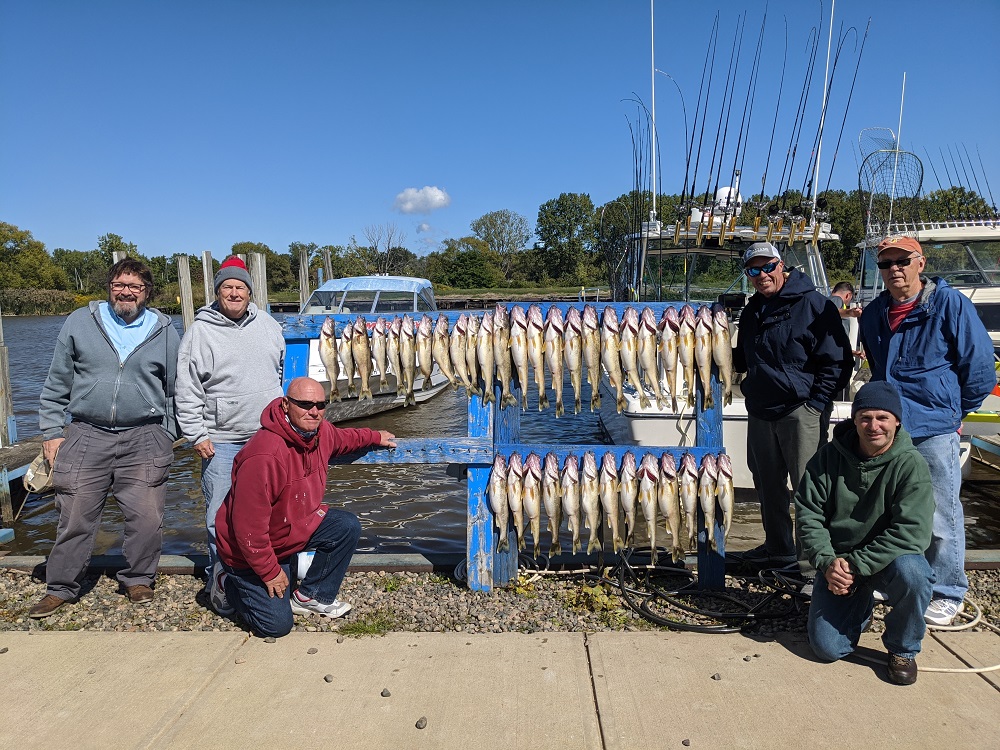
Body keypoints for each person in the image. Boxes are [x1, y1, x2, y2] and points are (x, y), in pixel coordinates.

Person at [30, 258, 180, 618]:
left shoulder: (164, 330)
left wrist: (167, 434)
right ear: (110, 287)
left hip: (144, 436)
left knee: (146, 517)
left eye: (135, 287)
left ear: (146, 292)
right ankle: (61, 586)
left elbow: (177, 389)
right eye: (119, 285)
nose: (126, 292)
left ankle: (138, 578)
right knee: (75, 515)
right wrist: (51, 431)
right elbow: (56, 382)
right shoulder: (81, 322)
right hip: (85, 433)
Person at [859, 235, 996, 626]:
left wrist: (953, 412)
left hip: (935, 428)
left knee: (941, 512)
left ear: (921, 263)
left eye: (902, 260)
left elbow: (980, 369)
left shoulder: (950, 304)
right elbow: (877, 365)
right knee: (890, 509)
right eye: (886, 264)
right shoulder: (874, 314)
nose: (894, 269)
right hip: (890, 431)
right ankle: (900, 577)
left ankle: (948, 589)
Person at [211, 377, 396, 637]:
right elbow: (247, 529)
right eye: (305, 404)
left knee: (345, 526)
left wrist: (374, 436)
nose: (314, 411)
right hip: (247, 552)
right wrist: (269, 572)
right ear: (286, 405)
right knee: (276, 626)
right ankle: (227, 583)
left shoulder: (320, 433)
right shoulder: (264, 455)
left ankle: (312, 596)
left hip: (287, 535)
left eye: (321, 405)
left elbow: (344, 439)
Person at [796, 381, 934, 685]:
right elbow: (808, 514)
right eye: (866, 417)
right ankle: (860, 608)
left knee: (916, 573)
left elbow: (912, 532)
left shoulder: (910, 464)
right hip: (840, 562)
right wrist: (828, 562)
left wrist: (856, 566)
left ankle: (903, 648)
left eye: (882, 418)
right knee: (827, 648)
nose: (874, 426)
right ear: (854, 420)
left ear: (896, 421)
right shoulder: (827, 458)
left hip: (889, 561)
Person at [733, 242, 853, 568]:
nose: (761, 275)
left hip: (801, 411)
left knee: (808, 490)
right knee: (768, 487)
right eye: (753, 270)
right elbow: (741, 359)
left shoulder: (814, 304)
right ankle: (778, 549)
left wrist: (816, 405)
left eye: (767, 267)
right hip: (760, 411)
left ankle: (812, 563)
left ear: (781, 265)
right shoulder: (752, 310)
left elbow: (838, 363)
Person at [174, 255, 285, 594]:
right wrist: (196, 433)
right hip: (220, 441)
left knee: (271, 510)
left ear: (250, 292)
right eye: (228, 287)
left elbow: (279, 370)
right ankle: (220, 579)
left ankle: (268, 572)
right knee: (219, 515)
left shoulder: (268, 324)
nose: (234, 293)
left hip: (266, 436)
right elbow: (186, 386)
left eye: (240, 287)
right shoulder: (200, 332)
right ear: (218, 291)